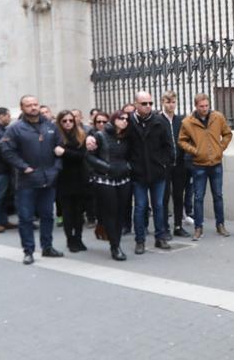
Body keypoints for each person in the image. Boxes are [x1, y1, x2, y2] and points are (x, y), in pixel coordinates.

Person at [0, 94, 64, 265]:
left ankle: (47, 247)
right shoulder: (15, 128)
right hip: (26, 181)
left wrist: (56, 169)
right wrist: (23, 167)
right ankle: (28, 251)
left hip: (48, 179)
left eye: (35, 104)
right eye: (28, 105)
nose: (33, 107)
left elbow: (60, 148)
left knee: (47, 216)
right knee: (26, 217)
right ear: (22, 108)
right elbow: (6, 150)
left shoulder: (51, 126)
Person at [178, 93, 233, 240]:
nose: (204, 109)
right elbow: (182, 141)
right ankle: (198, 227)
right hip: (198, 165)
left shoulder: (218, 117)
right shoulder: (187, 122)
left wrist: (220, 147)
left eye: (207, 106)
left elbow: (228, 134)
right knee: (198, 197)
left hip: (216, 163)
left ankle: (220, 225)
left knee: (218, 196)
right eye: (201, 106)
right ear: (196, 106)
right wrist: (195, 151)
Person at [125, 91, 174, 254]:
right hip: (138, 173)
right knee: (140, 206)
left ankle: (160, 237)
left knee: (159, 206)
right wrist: (130, 166)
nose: (148, 106)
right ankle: (140, 240)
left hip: (157, 172)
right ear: (136, 105)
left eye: (150, 103)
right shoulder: (129, 123)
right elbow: (124, 145)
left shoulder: (159, 121)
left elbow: (169, 146)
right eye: (144, 103)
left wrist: (164, 164)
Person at [87, 110, 133, 260]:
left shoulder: (127, 136)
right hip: (105, 179)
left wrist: (127, 167)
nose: (125, 121)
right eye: (121, 118)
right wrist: (107, 167)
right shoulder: (100, 135)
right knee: (111, 213)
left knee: (121, 213)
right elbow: (89, 156)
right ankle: (115, 246)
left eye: (127, 119)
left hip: (123, 179)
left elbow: (132, 155)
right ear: (114, 120)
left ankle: (116, 242)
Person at [54, 110, 89, 253]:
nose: (68, 123)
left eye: (70, 120)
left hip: (80, 177)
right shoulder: (56, 136)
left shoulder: (80, 134)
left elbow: (82, 156)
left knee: (79, 212)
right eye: (64, 121)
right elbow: (54, 154)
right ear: (60, 122)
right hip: (63, 178)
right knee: (68, 212)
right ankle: (70, 239)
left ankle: (79, 238)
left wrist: (65, 153)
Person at [161, 91, 191, 239]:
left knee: (179, 195)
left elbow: (186, 140)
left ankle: (178, 226)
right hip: (164, 165)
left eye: (173, 102)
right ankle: (164, 227)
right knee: (164, 197)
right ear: (163, 103)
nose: (171, 105)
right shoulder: (158, 120)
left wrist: (185, 157)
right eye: (168, 102)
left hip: (179, 164)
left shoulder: (181, 120)